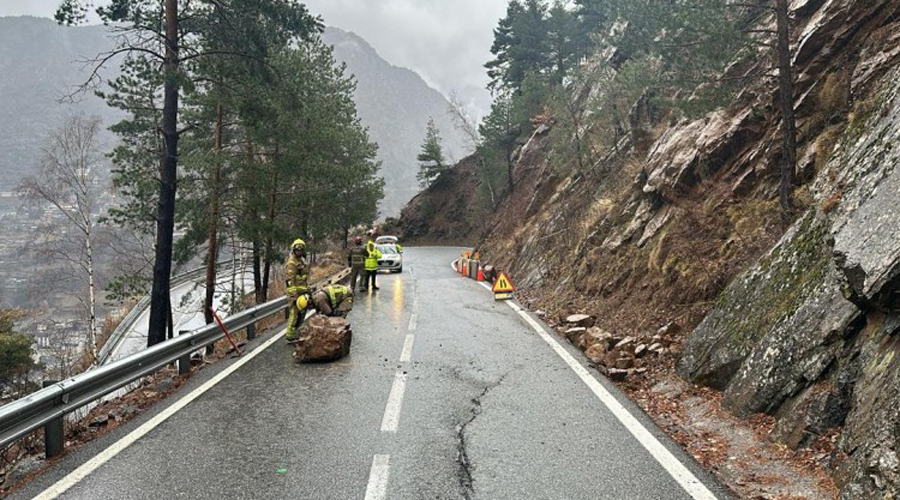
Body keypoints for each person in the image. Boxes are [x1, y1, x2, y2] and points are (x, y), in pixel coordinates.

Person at [285, 238, 309, 343]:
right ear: (293, 250)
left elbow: (304, 277)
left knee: (301, 314)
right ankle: (290, 334)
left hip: (303, 291)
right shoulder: (292, 263)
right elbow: (290, 281)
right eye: (297, 250)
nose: (299, 251)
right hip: (296, 293)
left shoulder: (302, 260)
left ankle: (296, 331)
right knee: (294, 313)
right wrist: (293, 295)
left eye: (301, 250)